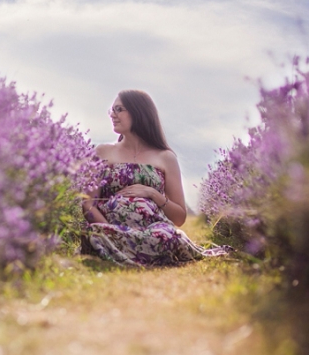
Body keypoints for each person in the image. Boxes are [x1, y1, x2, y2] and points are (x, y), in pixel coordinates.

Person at [81, 90, 229, 266]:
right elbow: (88, 204)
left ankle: (131, 250)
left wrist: (153, 194)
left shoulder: (165, 157)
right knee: (94, 234)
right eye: (111, 110)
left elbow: (179, 218)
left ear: (138, 112)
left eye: (119, 109)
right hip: (110, 229)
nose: (112, 115)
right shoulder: (102, 152)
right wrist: (112, 232)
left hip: (154, 230)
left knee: (165, 236)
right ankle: (128, 248)